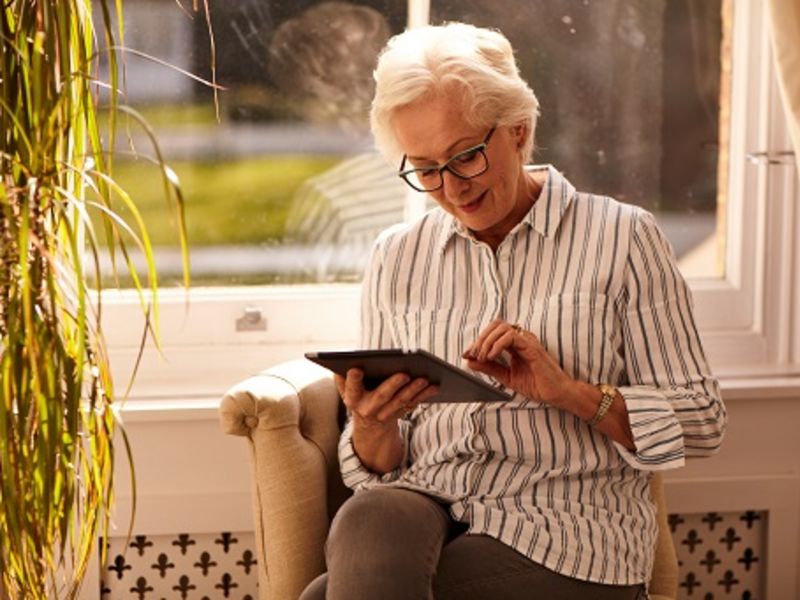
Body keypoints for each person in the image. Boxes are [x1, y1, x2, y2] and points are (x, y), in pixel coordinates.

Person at [300, 22, 727, 600]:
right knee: (366, 517)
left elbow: (700, 421)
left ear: (519, 131)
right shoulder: (397, 256)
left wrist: (568, 391)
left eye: (465, 157)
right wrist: (374, 425)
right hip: (427, 508)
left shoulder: (623, 238)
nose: (451, 188)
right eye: (425, 169)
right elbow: (382, 463)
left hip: (570, 534)